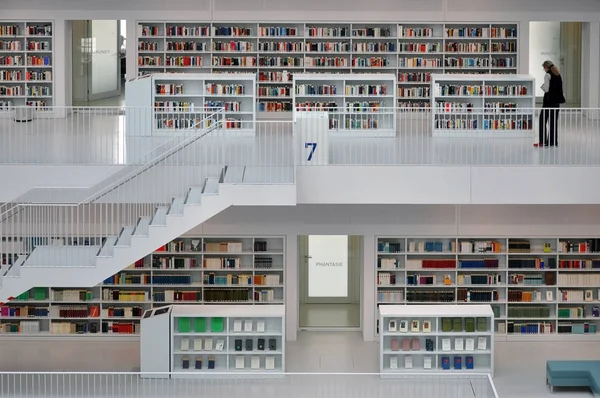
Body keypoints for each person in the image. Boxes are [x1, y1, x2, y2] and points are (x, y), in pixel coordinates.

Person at [535, 60, 565, 147]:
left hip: (548, 103)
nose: (544, 70)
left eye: (543, 68)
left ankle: (542, 141)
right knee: (553, 122)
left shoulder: (547, 75)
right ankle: (553, 142)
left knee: (542, 120)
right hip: (556, 103)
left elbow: (547, 89)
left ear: (546, 67)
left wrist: (542, 87)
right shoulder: (558, 75)